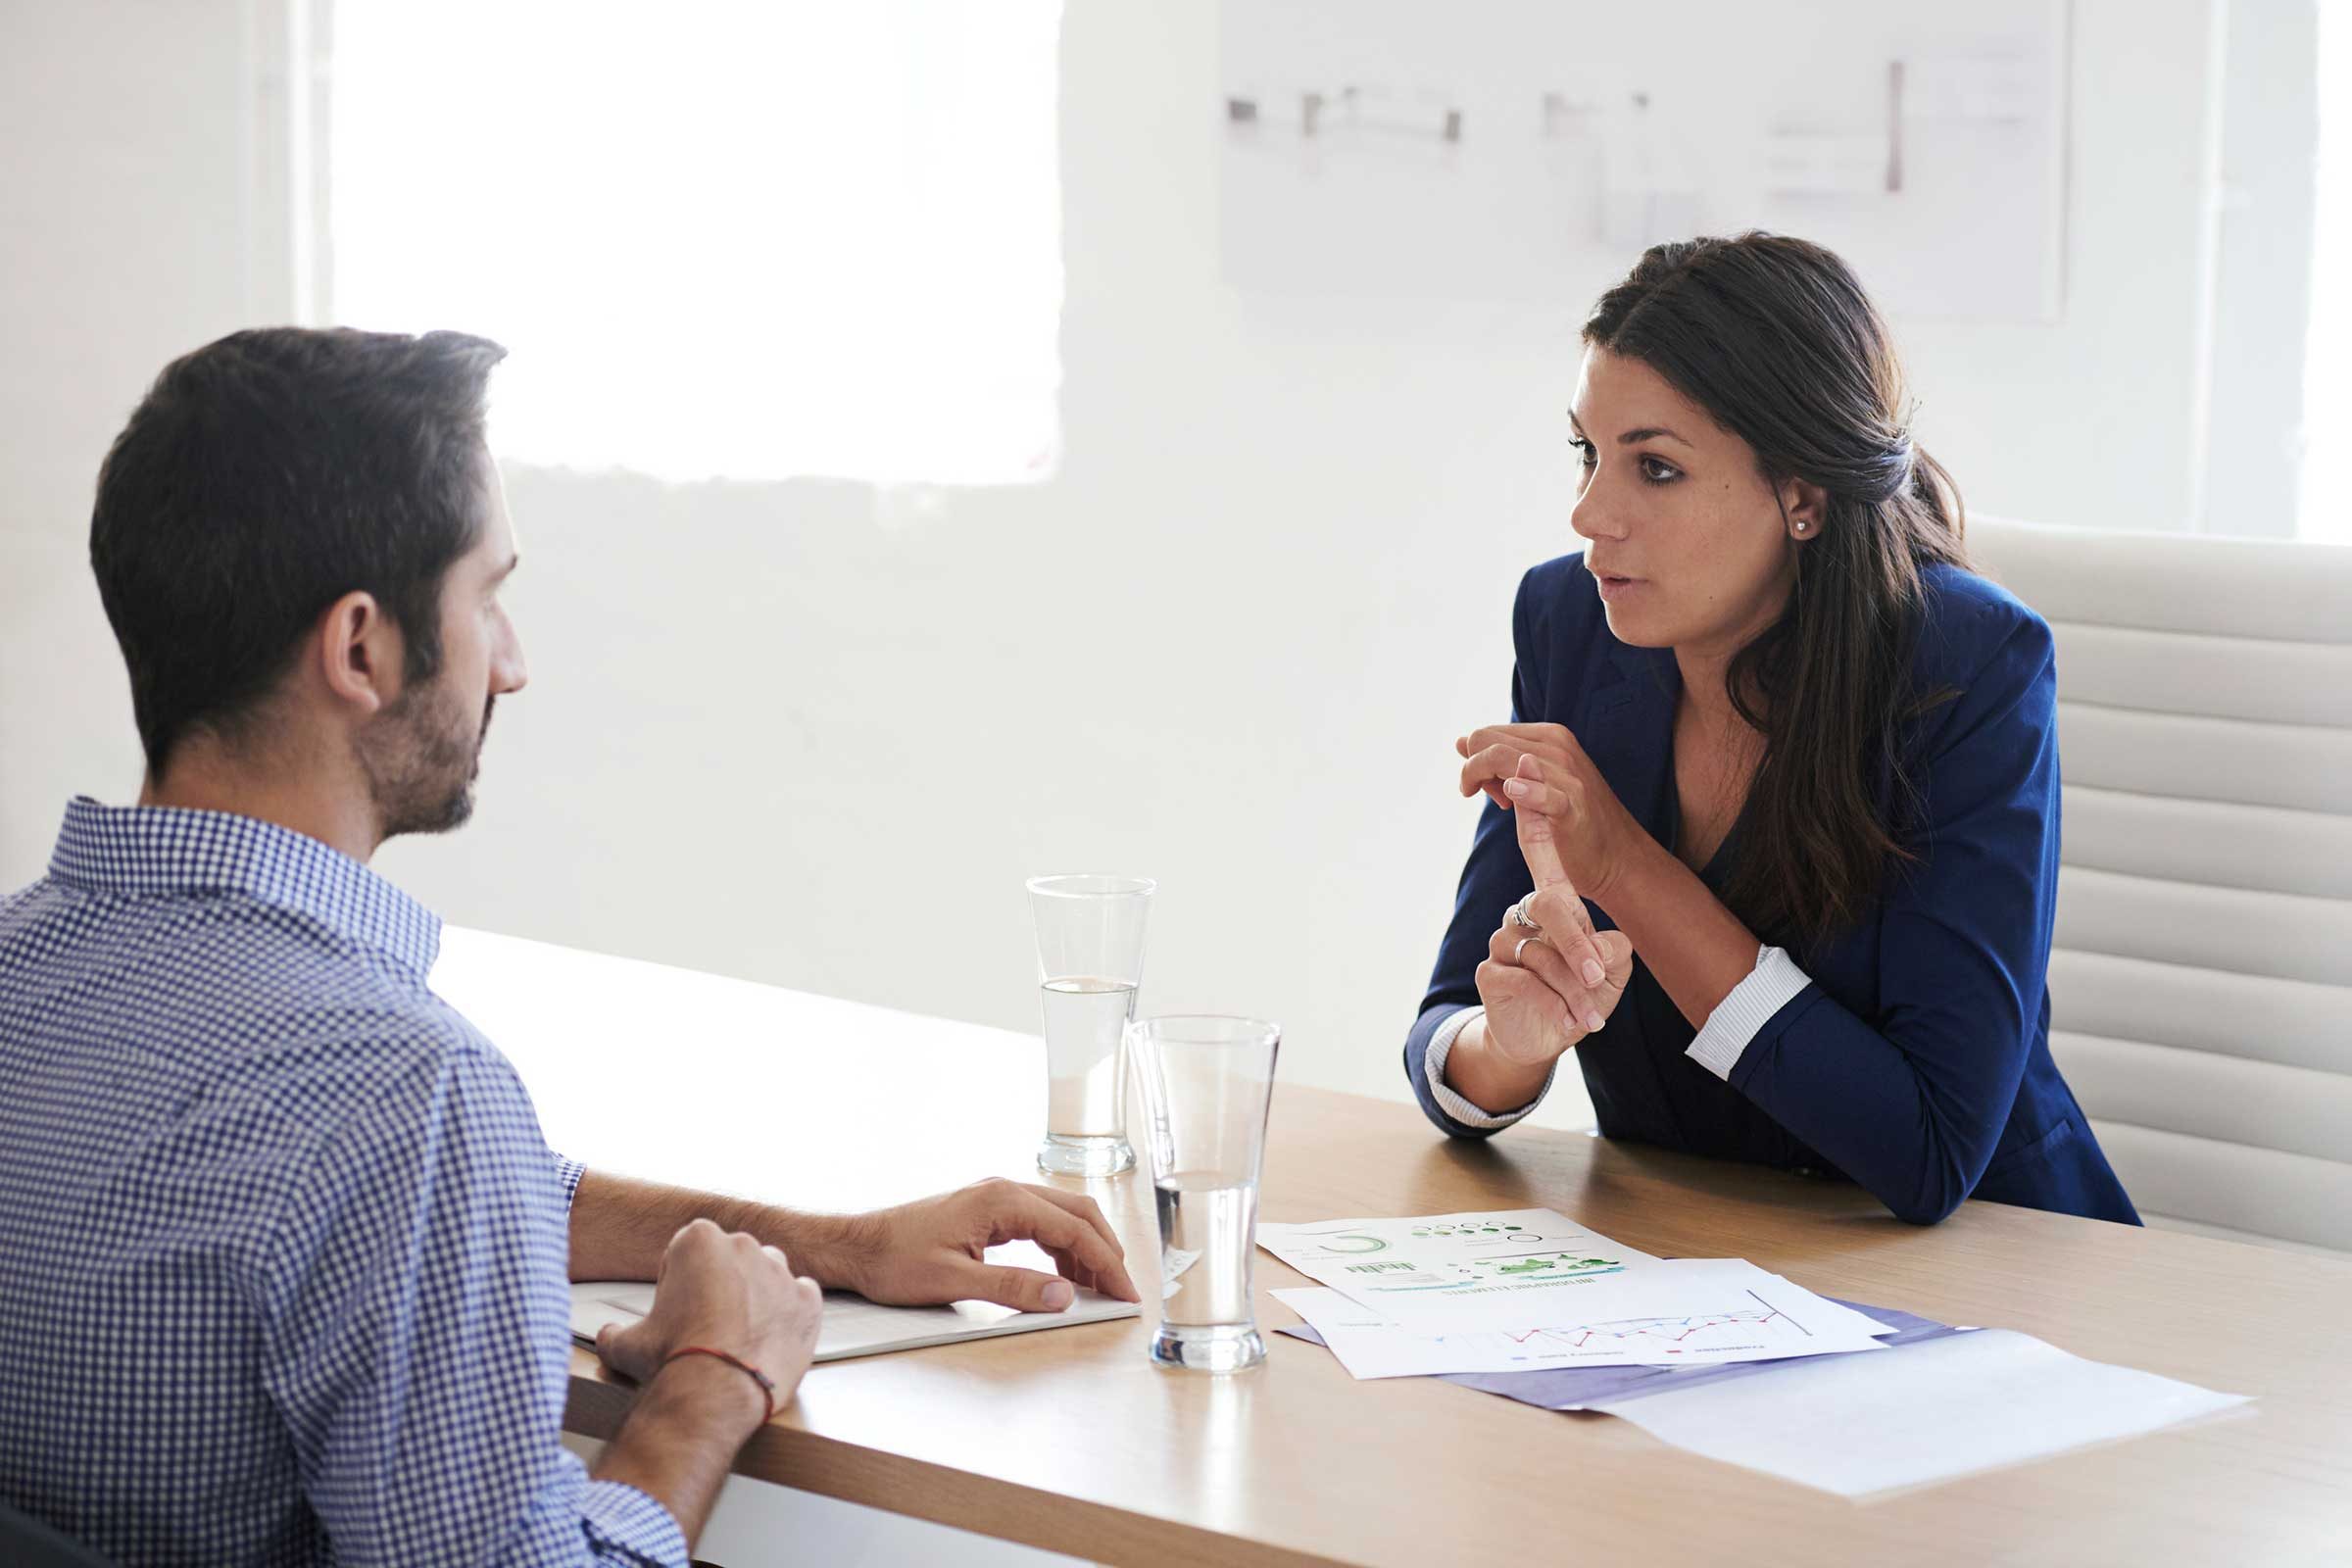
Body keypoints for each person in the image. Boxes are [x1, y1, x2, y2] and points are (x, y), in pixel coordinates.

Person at [0, 327, 1140, 1564]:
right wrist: (713, 1376)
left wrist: (840, 1246)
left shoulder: (30, 974)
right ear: (363, 648)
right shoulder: (404, 1091)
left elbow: (407, 1203)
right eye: (488, 598)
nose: (515, 663)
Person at [1406, 233, 2138, 1229]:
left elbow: (1929, 1152)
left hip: (1986, 1277)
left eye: (1654, 468)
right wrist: (1515, 1045)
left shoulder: (1970, 666)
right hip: (1689, 1267)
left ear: (1802, 494)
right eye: (1589, 454)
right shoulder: (1569, 623)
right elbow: (1449, 1024)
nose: (1589, 513)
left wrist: (1624, 865)